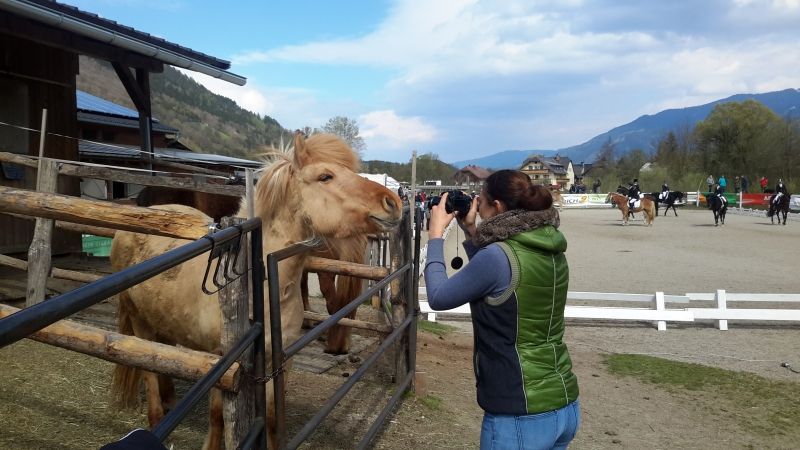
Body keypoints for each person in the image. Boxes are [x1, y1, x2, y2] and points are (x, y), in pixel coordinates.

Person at [425, 170, 580, 449]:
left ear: (496, 207)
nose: (476, 207)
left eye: (480, 202)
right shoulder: (550, 247)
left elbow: (438, 297)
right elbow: (500, 283)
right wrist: (472, 232)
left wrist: (435, 237)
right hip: (562, 401)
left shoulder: (498, 257)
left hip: (519, 411)